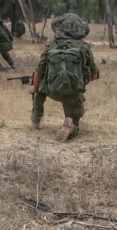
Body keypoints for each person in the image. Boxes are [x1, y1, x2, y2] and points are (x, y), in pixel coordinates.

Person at [28, 12, 99, 141]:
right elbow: (94, 75)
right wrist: (78, 82)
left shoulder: (51, 46)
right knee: (75, 122)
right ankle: (71, 126)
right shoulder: (83, 47)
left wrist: (34, 87)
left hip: (52, 91)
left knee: (39, 87)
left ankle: (35, 120)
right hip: (73, 93)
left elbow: (39, 72)